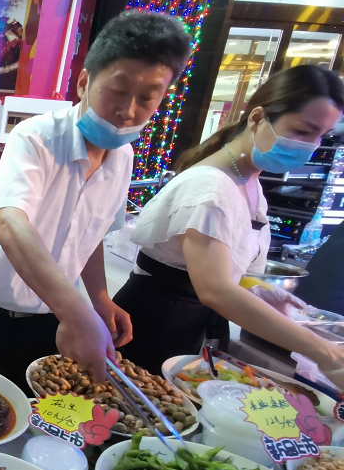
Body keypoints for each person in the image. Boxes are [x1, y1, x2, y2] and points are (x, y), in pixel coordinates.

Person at [0, 11, 192, 389]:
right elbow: (10, 224)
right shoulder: (36, 137)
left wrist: (98, 299)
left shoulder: (122, 156)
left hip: (53, 322)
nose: (128, 111)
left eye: (147, 98)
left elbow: (89, 234)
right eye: (118, 90)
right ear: (84, 82)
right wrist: (78, 313)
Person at [113, 65, 344, 389]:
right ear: (257, 117)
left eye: (321, 135)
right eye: (303, 131)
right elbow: (215, 289)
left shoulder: (249, 182)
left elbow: (224, 268)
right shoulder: (211, 188)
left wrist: (256, 288)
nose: (313, 145)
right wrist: (325, 353)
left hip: (187, 329)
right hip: (152, 327)